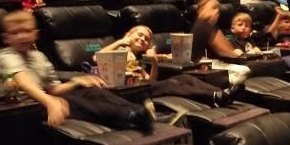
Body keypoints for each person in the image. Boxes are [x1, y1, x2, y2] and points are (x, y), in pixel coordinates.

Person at [0, 10, 154, 131]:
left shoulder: (39, 56)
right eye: (15, 33)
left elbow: (54, 89)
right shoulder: (6, 56)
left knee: (91, 91)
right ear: (5, 38)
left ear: (36, 34)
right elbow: (24, 82)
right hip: (20, 109)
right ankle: (127, 116)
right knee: (72, 101)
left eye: (26, 31)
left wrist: (77, 82)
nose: (21, 36)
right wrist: (50, 101)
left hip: (44, 100)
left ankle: (139, 111)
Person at [99, 25, 241, 105]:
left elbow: (150, 80)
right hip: (126, 90)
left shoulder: (138, 60)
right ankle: (215, 96)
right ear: (128, 34)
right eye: (139, 35)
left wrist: (154, 62)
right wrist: (120, 41)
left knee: (184, 78)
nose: (142, 39)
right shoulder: (119, 49)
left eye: (146, 39)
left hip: (141, 87)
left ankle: (222, 93)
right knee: (170, 84)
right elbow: (97, 57)